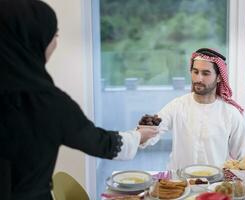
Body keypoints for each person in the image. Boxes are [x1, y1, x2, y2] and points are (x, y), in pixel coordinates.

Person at [0, 0, 158, 199]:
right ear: (32, 39)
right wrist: (138, 136)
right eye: (54, 35)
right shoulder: (46, 102)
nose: (55, 43)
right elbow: (99, 143)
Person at [140, 48, 245, 170]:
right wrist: (142, 132)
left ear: (219, 77)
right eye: (195, 72)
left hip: (215, 184)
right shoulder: (177, 106)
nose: (198, 79)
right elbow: (152, 133)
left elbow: (243, 155)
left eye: (205, 73)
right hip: (179, 183)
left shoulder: (231, 113)